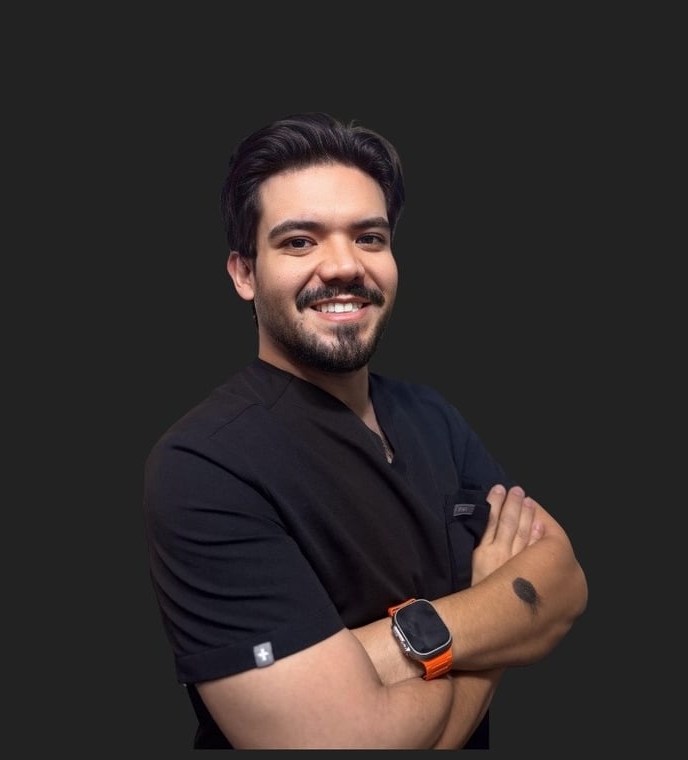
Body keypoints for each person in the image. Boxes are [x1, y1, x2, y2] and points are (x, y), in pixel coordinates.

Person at [143, 111, 588, 750]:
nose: (344, 266)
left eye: (369, 237)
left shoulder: (433, 416)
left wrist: (378, 657)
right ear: (244, 273)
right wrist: (496, 624)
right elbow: (348, 742)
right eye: (300, 242)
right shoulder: (204, 465)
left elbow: (564, 583)